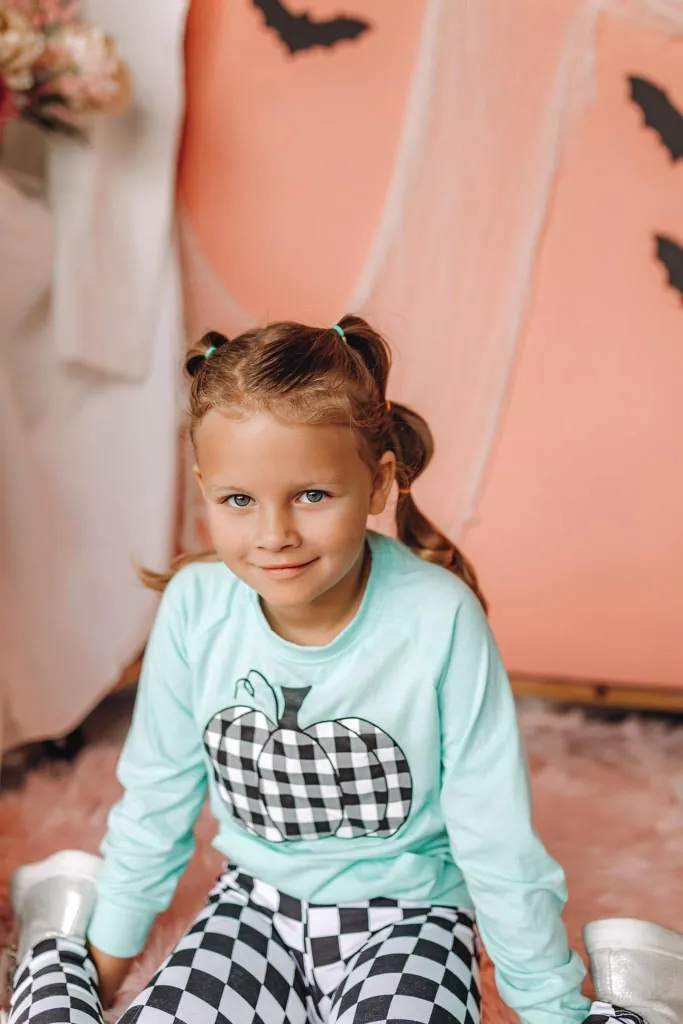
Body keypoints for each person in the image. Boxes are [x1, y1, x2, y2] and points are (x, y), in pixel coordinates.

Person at [9, 317, 648, 1024]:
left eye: (312, 495)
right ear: (204, 489)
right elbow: (156, 799)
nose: (274, 533)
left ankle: (639, 997)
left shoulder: (439, 619)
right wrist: (103, 966)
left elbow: (493, 836)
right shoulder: (196, 608)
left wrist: (551, 1007)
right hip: (252, 909)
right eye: (238, 500)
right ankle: (56, 946)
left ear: (376, 485)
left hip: (407, 920)